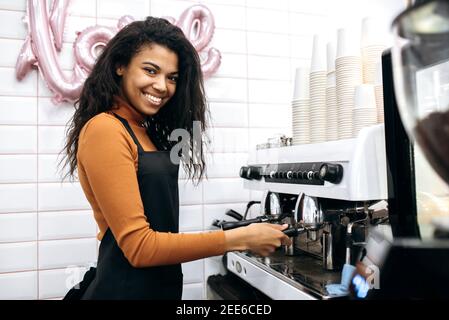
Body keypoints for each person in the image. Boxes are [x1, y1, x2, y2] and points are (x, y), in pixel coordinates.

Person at [61, 16, 290, 300]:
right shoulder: (105, 129)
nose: (162, 86)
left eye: (172, 77)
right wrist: (239, 238)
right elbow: (139, 247)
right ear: (120, 66)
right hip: (124, 290)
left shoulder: (145, 130)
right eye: (150, 70)